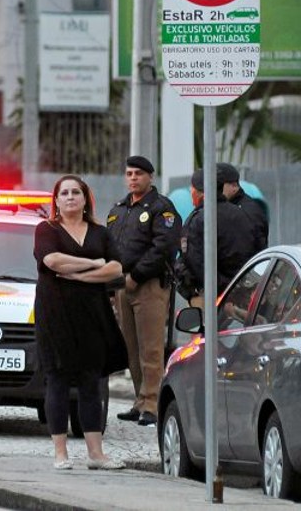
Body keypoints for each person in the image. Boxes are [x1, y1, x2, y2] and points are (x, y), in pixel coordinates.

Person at [34, 175, 128, 471]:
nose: (71, 197)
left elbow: (116, 267)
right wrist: (93, 263)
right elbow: (52, 261)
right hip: (55, 314)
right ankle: (61, 454)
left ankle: (96, 454)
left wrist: (82, 276)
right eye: (65, 193)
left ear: (86, 199)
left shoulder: (100, 232)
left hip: (92, 313)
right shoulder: (46, 229)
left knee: (91, 382)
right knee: (58, 380)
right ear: (57, 200)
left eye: (77, 192)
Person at [106, 156, 181, 428]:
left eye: (138, 173)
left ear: (150, 176)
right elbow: (110, 245)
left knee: (150, 348)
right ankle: (140, 400)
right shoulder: (119, 209)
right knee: (130, 347)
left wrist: (137, 275)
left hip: (148, 284)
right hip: (122, 285)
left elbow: (164, 247)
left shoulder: (162, 208)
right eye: (129, 173)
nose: (133, 178)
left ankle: (153, 403)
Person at [174, 169, 258, 311]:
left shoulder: (199, 219)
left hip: (211, 297)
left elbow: (194, 262)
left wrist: (216, 288)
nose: (191, 192)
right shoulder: (240, 214)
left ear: (201, 192)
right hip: (241, 293)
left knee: (205, 332)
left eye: (192, 188)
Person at [217, 162, 269, 254]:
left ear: (234, 186)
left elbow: (256, 249)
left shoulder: (248, 212)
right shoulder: (225, 207)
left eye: (219, 185)